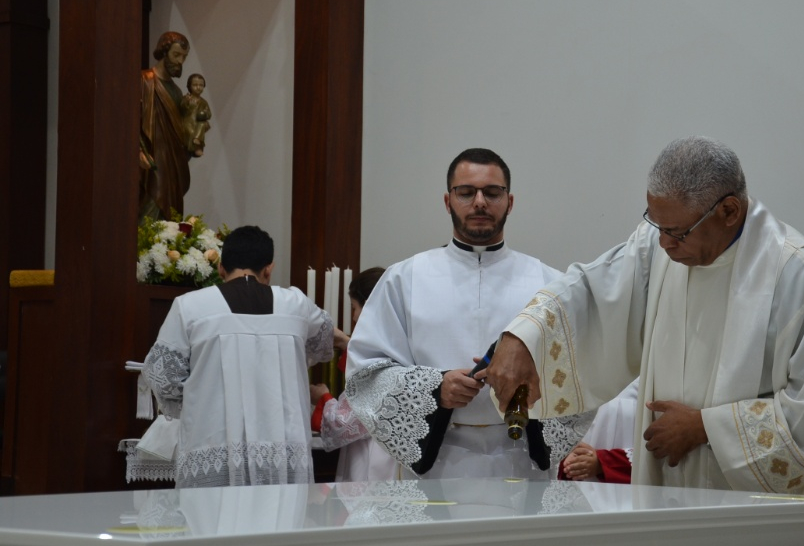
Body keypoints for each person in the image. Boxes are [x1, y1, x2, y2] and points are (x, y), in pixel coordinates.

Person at [484, 136, 804, 493]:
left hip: (748, 513)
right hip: (665, 488)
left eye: (677, 232)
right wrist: (522, 337)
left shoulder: (803, 278)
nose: (664, 243)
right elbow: (592, 289)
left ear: (729, 211)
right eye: (655, 226)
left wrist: (705, 427)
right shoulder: (658, 244)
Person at [343, 148, 592, 480]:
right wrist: (435, 388)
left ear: (510, 202)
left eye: (492, 192)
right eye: (466, 192)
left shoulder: (548, 284)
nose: (479, 202)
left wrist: (524, 391)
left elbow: (579, 374)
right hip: (435, 460)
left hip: (519, 458)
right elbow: (366, 374)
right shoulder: (405, 279)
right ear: (448, 201)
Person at [141, 225, 348, 488]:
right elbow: (326, 338)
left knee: (212, 525)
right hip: (281, 451)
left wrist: (202, 397)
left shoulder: (190, 306)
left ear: (221, 268)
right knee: (278, 524)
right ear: (268, 268)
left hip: (214, 444)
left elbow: (162, 377)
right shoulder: (295, 304)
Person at [308, 267, 399, 481]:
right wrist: (347, 343)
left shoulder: (376, 359)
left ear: (370, 307)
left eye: (354, 307)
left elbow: (343, 424)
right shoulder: (399, 342)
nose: (355, 316)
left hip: (375, 458)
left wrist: (323, 398)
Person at [139, 31, 193, 221]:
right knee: (152, 203)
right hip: (152, 158)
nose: (180, 61)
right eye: (176, 55)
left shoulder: (177, 92)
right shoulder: (144, 81)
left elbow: (182, 129)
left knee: (171, 211)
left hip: (173, 162)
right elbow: (130, 121)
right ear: (164, 52)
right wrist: (138, 150)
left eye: (184, 57)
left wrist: (193, 142)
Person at [559, 380, 638, 484]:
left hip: (624, 491)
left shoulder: (646, 381)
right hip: (576, 485)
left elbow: (654, 455)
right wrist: (569, 460)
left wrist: (602, 462)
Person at [180, 73, 212, 158]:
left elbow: (209, 113)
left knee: (202, 125)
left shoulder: (203, 102)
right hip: (188, 122)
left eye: (201, 85)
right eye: (195, 85)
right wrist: (187, 102)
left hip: (198, 124)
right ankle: (194, 147)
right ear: (189, 86)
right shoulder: (186, 98)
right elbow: (181, 107)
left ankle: (197, 146)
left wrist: (205, 114)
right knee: (190, 132)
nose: (198, 87)